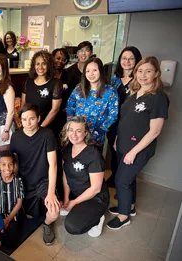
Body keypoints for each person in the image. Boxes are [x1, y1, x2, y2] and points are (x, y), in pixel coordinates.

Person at [107, 57, 169, 230]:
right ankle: (130, 206)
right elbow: (126, 120)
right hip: (123, 145)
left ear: (156, 73)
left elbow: (155, 131)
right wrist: (118, 138)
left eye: (148, 71)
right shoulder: (135, 93)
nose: (143, 75)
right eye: (140, 71)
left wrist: (133, 152)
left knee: (121, 180)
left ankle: (123, 215)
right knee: (128, 178)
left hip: (138, 149)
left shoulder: (158, 98)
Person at [10, 104, 60, 246]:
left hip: (43, 180)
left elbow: (53, 165)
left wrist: (51, 192)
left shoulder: (47, 134)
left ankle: (47, 224)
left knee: (54, 210)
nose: (28, 123)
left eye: (32, 119)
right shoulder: (16, 136)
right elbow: (15, 164)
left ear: (38, 118)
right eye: (24, 119)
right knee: (26, 215)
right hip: (24, 180)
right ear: (20, 121)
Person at [60, 116, 109, 237]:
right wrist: (66, 198)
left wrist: (74, 203)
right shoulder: (66, 150)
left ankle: (98, 219)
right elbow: (66, 176)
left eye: (78, 131)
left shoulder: (93, 155)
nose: (74, 134)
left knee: (72, 226)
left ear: (86, 133)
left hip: (95, 198)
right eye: (71, 130)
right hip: (77, 193)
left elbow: (95, 189)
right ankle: (78, 207)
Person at [106, 46, 142, 187]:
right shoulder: (114, 79)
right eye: (124, 58)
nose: (127, 61)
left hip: (129, 123)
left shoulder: (138, 80)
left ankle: (123, 182)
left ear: (137, 61)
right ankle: (115, 177)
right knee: (113, 150)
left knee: (125, 152)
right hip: (113, 122)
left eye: (131, 58)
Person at [66, 57, 119, 148]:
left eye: (94, 70)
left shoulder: (110, 91)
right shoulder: (79, 89)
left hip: (96, 138)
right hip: (77, 136)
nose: (91, 74)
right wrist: (72, 128)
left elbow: (113, 114)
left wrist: (101, 129)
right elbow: (70, 108)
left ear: (101, 72)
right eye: (87, 71)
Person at [21, 50, 62, 135]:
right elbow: (23, 104)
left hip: (46, 128)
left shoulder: (56, 83)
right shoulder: (28, 81)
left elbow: (55, 110)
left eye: (44, 64)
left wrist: (41, 127)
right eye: (37, 64)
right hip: (29, 126)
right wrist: (24, 124)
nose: (40, 67)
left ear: (49, 65)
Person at [0, 150, 24, 228]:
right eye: (3, 164)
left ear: (14, 165)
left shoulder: (18, 181)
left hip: (13, 216)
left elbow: (19, 203)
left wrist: (8, 219)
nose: (7, 168)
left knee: (12, 235)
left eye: (10, 164)